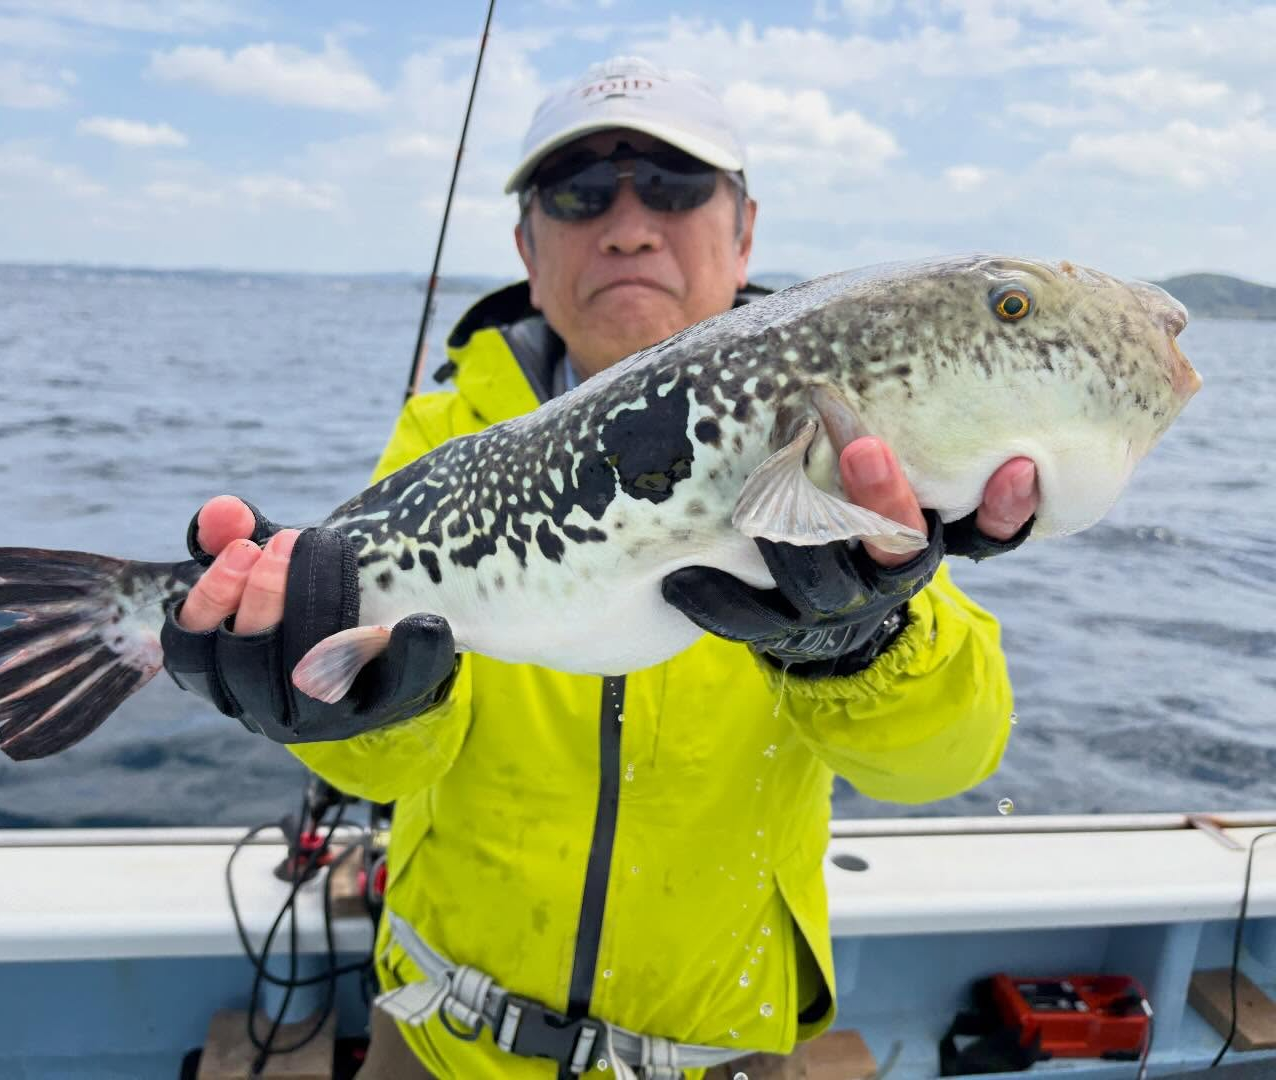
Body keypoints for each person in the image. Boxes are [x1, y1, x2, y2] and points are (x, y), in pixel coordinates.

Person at [162, 57, 1040, 1079]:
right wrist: (340, 701)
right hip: (443, 1039)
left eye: (674, 185)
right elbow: (390, 769)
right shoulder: (443, 435)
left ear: (745, 232)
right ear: (528, 250)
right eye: (579, 192)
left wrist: (863, 639)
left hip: (721, 1050)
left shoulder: (844, 441)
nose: (628, 227)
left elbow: (943, 762)